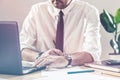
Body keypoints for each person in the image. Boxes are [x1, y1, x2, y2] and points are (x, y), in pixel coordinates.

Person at [20, 0, 101, 68]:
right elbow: (22, 48)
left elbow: (92, 53)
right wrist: (41, 56)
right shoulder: (37, 10)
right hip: (42, 72)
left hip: (74, 72)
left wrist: (67, 59)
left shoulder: (89, 11)